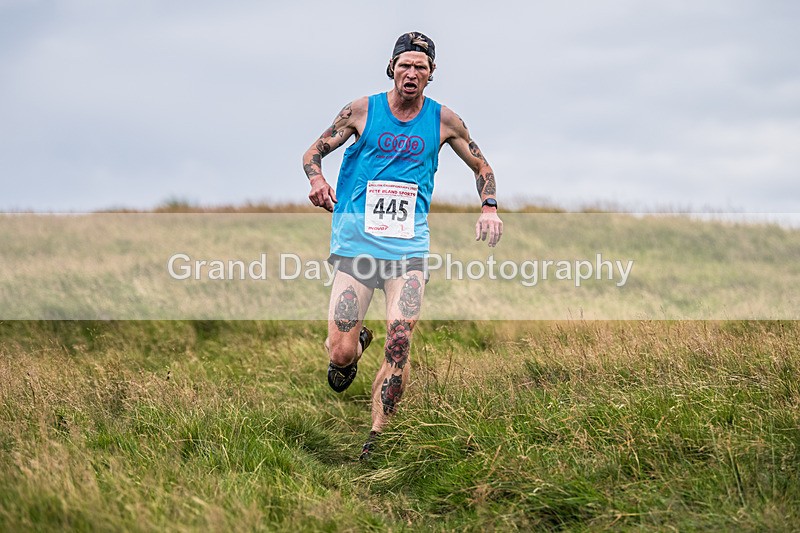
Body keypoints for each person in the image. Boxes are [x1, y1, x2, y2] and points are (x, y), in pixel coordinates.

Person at [302, 31, 503, 460]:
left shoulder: (444, 120)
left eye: (422, 68)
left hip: (407, 250)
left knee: (400, 339)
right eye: (406, 65)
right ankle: (354, 348)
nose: (412, 73)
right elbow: (312, 153)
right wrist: (318, 180)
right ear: (392, 68)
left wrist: (489, 205)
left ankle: (378, 436)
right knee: (339, 354)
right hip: (357, 244)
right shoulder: (362, 110)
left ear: (431, 76)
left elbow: (481, 164)